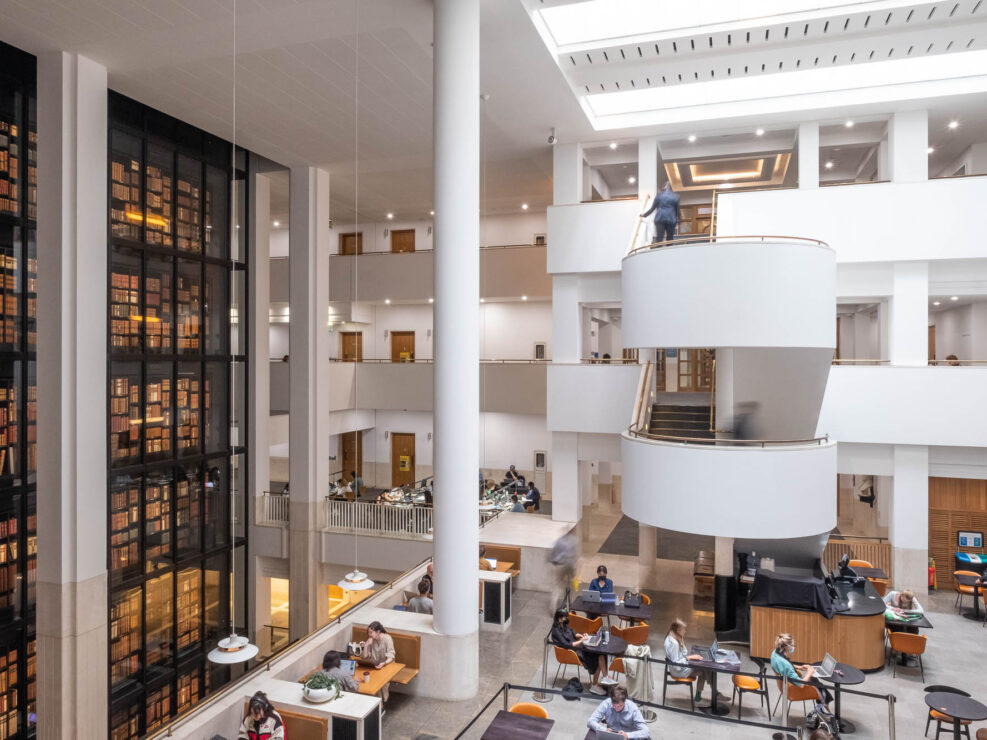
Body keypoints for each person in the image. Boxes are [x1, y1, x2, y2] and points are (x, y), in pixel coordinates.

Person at [770, 633, 832, 713]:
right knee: (820, 687)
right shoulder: (786, 665)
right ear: (787, 646)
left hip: (784, 684)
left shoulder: (775, 653)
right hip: (792, 690)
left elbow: (785, 664)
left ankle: (823, 704)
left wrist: (799, 667)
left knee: (815, 681)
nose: (793, 647)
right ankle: (825, 707)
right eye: (792, 645)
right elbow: (801, 685)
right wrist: (809, 672)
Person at [551, 609, 607, 695]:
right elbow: (567, 645)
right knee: (597, 656)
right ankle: (596, 684)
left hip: (577, 646)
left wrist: (582, 636)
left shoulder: (564, 625)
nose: (566, 618)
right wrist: (581, 641)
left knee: (600, 654)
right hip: (572, 651)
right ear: (560, 618)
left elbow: (573, 633)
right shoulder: (556, 631)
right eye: (565, 617)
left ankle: (603, 678)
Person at [663, 619, 716, 703]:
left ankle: (710, 693)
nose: (685, 631)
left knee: (705, 669)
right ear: (678, 630)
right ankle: (710, 693)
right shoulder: (674, 644)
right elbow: (676, 665)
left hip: (680, 667)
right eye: (684, 630)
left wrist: (682, 641)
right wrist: (689, 658)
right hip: (679, 671)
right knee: (705, 669)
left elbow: (683, 654)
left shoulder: (671, 636)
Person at [362, 621, 396, 700]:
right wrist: (366, 645)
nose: (369, 635)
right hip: (375, 665)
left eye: (371, 632)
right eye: (368, 632)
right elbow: (364, 656)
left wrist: (383, 663)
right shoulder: (371, 640)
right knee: (367, 678)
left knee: (379, 682)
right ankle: (378, 703)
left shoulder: (387, 639)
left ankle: (380, 702)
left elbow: (391, 656)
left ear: (378, 632)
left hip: (387, 665)